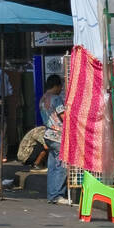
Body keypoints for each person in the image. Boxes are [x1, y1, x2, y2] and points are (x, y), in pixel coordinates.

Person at [39, 74, 70, 204]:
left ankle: (52, 195)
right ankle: (58, 195)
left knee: (52, 166)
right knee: (62, 166)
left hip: (47, 135)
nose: (61, 89)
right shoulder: (56, 99)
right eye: (60, 86)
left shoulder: (43, 99)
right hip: (58, 136)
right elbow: (64, 116)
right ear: (56, 86)